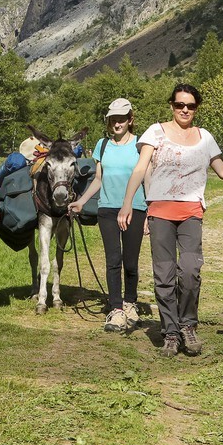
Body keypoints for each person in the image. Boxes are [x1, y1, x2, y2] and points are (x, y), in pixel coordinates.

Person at [118, 84, 223, 357]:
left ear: (196, 108)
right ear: (172, 105)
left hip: (191, 213)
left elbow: (222, 171)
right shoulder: (155, 132)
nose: (185, 110)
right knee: (164, 275)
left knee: (189, 271)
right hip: (160, 212)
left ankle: (188, 326)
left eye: (190, 106)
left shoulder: (205, 137)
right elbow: (140, 168)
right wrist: (128, 203)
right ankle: (171, 333)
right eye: (179, 105)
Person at [71, 98, 146, 332]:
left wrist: (151, 210)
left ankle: (130, 303)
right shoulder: (102, 145)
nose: (117, 124)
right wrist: (81, 201)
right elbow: (98, 179)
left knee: (130, 262)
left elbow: (148, 178)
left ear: (130, 119)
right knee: (113, 260)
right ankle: (116, 309)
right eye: (113, 119)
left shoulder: (141, 145)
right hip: (107, 210)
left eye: (121, 119)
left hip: (135, 208)